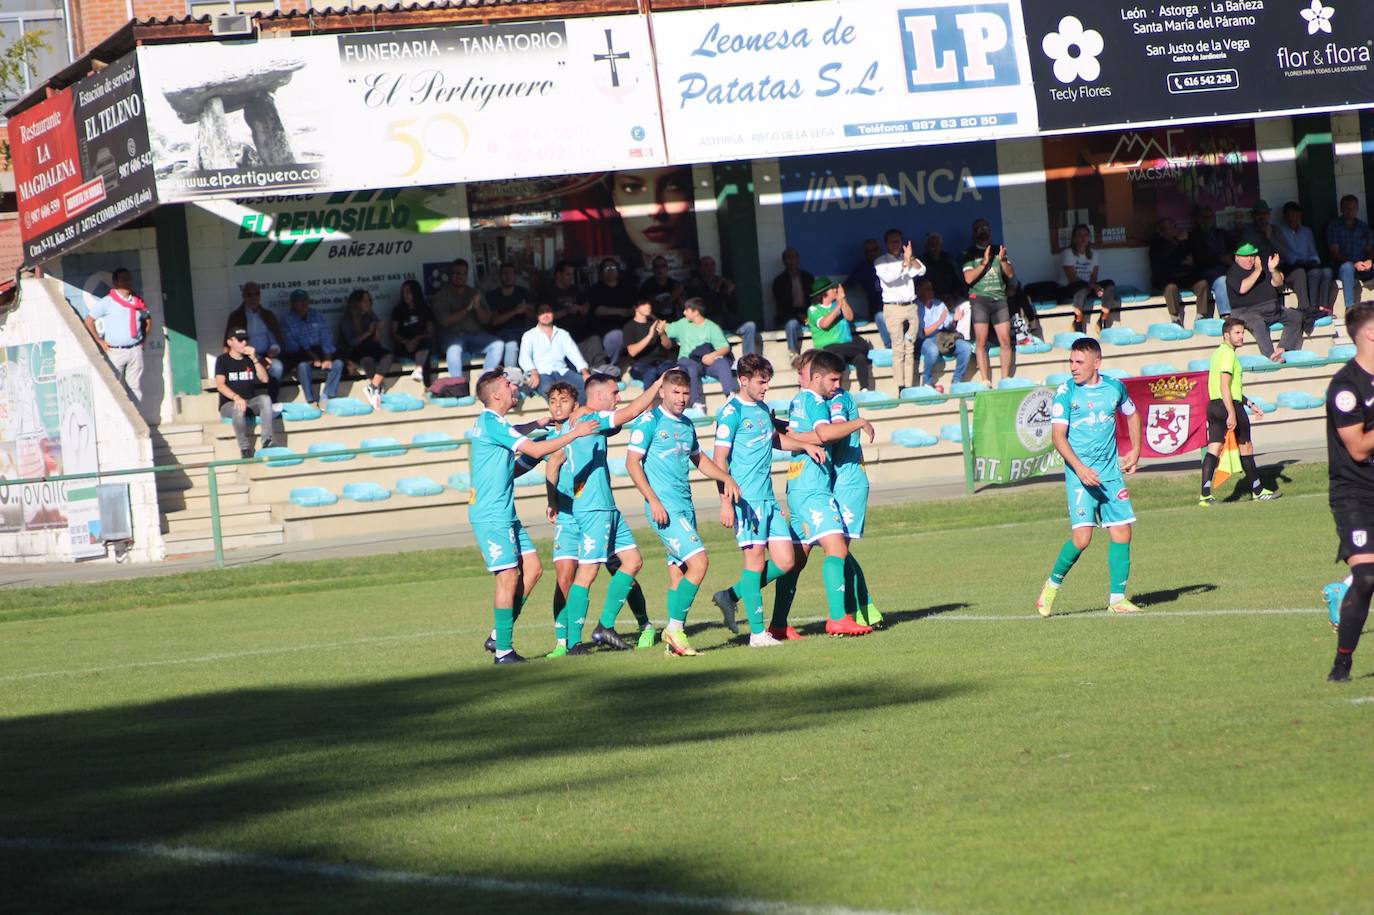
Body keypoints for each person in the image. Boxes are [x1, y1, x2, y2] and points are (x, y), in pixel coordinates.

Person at [469, 370, 600, 664]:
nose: (513, 387)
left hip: (505, 513)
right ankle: (503, 651)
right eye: (507, 385)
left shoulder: (493, 422)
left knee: (533, 569)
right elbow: (537, 449)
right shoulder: (493, 422)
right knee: (508, 577)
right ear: (496, 395)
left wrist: (538, 423)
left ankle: (496, 634)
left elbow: (516, 434)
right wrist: (574, 433)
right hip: (492, 515)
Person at [541, 374, 664, 657]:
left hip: (607, 507)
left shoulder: (585, 422)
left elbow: (556, 461)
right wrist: (656, 385)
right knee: (587, 573)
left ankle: (605, 625)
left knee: (633, 561)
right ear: (598, 396)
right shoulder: (588, 420)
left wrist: (552, 500)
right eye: (614, 392)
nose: (618, 397)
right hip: (593, 508)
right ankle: (572, 643)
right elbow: (631, 412)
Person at [708, 354, 827, 645]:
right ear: (743, 380)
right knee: (755, 563)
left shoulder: (762, 409)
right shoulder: (730, 413)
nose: (765, 388)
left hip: (768, 500)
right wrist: (726, 502)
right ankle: (758, 634)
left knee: (787, 561)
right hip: (745, 501)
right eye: (761, 382)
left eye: (767, 382)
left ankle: (730, 595)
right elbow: (718, 460)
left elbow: (774, 439)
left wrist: (804, 445)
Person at [624, 369, 742, 657]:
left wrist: (726, 478)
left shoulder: (687, 425)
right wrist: (652, 500)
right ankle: (674, 628)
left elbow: (700, 460)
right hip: (664, 508)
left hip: (684, 508)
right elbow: (632, 464)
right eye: (675, 392)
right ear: (662, 392)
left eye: (686, 392)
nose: (681, 398)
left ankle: (674, 643)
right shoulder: (649, 421)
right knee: (699, 563)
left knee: (678, 574)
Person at [768, 349, 877, 638]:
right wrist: (861, 422)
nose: (799, 376)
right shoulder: (814, 399)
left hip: (811, 483)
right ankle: (846, 615)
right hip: (820, 486)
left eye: (801, 371)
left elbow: (800, 434)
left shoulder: (810, 399)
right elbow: (826, 433)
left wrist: (778, 429)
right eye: (832, 379)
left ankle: (773, 619)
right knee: (838, 550)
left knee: (796, 559)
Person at [1035, 337, 1143, 618]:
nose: (1073, 367)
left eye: (1079, 362)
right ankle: (1051, 586)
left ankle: (1117, 599)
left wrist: (1136, 449)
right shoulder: (1065, 392)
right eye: (1070, 361)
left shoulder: (1115, 387)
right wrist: (1080, 469)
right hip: (1079, 476)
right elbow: (1058, 437)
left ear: (1097, 363)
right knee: (1082, 539)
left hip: (1109, 474)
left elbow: (1132, 414)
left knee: (1122, 531)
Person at [1322, 302, 1374, 681]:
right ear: (1369, 334)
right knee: (1368, 577)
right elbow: (1357, 447)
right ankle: (1343, 661)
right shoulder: (1345, 386)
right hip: (1355, 493)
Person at [1199, 317, 1282, 506]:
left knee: (1214, 448)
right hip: (1229, 406)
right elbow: (1225, 386)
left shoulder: (1218, 353)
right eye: (1237, 333)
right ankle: (1258, 491)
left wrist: (1249, 403)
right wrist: (1231, 413)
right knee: (1246, 447)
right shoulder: (1228, 355)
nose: (1241, 336)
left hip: (1214, 406)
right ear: (1226, 335)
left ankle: (1205, 495)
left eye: (1242, 332)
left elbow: (1229, 387)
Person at [1225, 242, 1303, 361]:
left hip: (1272, 309)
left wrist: (1272, 270)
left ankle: (1283, 348)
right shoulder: (1233, 272)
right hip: (1246, 311)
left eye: (1252, 256)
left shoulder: (1262, 269)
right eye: (1246, 257)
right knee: (1257, 323)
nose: (1250, 259)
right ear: (1237, 257)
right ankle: (1270, 355)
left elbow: (1278, 283)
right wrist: (1257, 270)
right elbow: (1242, 288)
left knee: (1295, 316)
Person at [962, 219, 1016, 385]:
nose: (982, 231)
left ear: (990, 231)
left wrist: (1002, 261)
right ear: (973, 233)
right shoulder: (969, 253)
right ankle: (985, 380)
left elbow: (1011, 274)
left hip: (999, 299)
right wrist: (984, 263)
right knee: (981, 341)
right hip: (979, 300)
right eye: (978, 229)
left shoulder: (999, 250)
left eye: (985, 228)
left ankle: (1005, 379)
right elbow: (968, 278)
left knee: (1005, 340)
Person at [84, 267, 149, 403]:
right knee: (115, 387)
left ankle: (136, 420)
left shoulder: (137, 301)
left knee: (135, 387)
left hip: (135, 349)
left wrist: (144, 339)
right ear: (116, 283)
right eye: (124, 280)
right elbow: (89, 321)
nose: (128, 282)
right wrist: (99, 340)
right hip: (115, 351)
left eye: (129, 279)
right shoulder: (108, 301)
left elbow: (147, 319)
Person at [431, 259, 502, 380]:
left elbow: (486, 320)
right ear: (449, 275)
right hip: (451, 336)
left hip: (474, 335)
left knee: (498, 344)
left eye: (462, 273)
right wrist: (468, 308)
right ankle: (457, 384)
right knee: (454, 348)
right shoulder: (441, 295)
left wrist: (478, 306)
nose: (459, 276)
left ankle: (486, 380)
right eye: (455, 273)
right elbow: (446, 321)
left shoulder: (474, 293)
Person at [873, 228, 926, 392]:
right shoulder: (880, 261)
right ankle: (900, 386)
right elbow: (889, 278)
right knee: (898, 348)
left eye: (898, 241)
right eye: (892, 241)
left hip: (910, 307)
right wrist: (905, 263)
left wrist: (911, 258)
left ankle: (909, 386)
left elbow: (921, 270)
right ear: (886, 243)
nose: (896, 244)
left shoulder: (908, 258)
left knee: (910, 347)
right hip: (893, 308)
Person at [215, 328, 276, 459]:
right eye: (240, 340)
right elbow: (220, 385)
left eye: (246, 340)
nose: (244, 343)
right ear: (230, 342)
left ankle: (267, 441)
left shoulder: (249, 359)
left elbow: (265, 379)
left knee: (265, 399)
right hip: (229, 404)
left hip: (249, 401)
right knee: (238, 409)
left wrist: (254, 359)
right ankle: (245, 448)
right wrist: (236, 398)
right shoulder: (222, 360)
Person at [666, 297, 738, 409]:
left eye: (687, 310)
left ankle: (731, 395)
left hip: (707, 362)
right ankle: (696, 403)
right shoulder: (682, 324)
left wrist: (712, 355)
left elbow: (724, 347)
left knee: (722, 363)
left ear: (695, 312)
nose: (684, 312)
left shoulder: (712, 327)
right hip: (688, 361)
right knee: (691, 368)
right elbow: (666, 329)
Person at [280, 288, 344, 409]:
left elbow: (326, 336)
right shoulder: (287, 320)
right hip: (300, 353)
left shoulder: (316, 315)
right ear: (293, 304)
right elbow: (292, 345)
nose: (304, 304)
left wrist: (327, 357)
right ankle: (310, 400)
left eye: (306, 300)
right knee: (303, 366)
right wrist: (312, 356)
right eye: (300, 301)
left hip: (319, 350)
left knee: (338, 364)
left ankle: (326, 396)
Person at [808, 279, 875, 391]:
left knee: (860, 358)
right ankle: (836, 391)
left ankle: (864, 389)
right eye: (832, 289)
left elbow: (849, 317)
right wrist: (839, 305)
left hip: (846, 346)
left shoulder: (839, 303)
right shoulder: (813, 309)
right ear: (824, 293)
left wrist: (843, 301)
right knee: (838, 357)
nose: (835, 290)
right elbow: (824, 324)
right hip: (827, 348)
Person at [1275, 201, 1333, 330]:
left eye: (1295, 215)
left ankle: (1323, 306)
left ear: (1300, 216)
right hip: (1291, 267)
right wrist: (1300, 261)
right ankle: (1311, 307)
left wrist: (1314, 260)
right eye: (1289, 215)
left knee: (1327, 271)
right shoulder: (1280, 231)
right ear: (1284, 216)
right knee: (1312, 272)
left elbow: (1313, 252)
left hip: (1308, 265)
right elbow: (1286, 254)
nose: (1292, 218)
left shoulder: (1306, 231)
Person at [224, 281, 285, 402]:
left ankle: (272, 401)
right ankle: (248, 402)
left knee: (277, 367)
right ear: (244, 297)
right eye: (249, 295)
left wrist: (274, 349)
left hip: (267, 355)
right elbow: (232, 343)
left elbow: (276, 339)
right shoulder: (236, 316)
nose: (253, 297)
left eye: (256, 294)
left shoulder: (267, 315)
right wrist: (258, 358)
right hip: (245, 356)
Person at [686, 255, 758, 355]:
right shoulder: (694, 284)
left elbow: (733, 307)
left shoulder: (721, 281)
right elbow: (702, 308)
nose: (710, 268)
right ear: (700, 268)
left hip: (726, 319)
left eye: (712, 265)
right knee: (717, 322)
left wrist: (730, 294)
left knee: (750, 326)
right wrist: (716, 290)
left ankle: (749, 360)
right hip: (707, 321)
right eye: (706, 265)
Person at [519, 302, 590, 401]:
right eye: (542, 312)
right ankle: (563, 415)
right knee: (549, 390)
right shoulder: (529, 335)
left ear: (553, 314)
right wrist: (533, 372)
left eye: (548, 311)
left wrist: (584, 372)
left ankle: (581, 414)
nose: (545, 315)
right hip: (542, 373)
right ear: (537, 315)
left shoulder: (563, 334)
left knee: (585, 385)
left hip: (562, 371)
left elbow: (574, 353)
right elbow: (524, 357)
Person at [913, 277, 972, 393]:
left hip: (942, 337)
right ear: (919, 291)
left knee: (966, 348)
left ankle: (957, 380)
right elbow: (923, 333)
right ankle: (927, 382)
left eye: (931, 289)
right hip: (925, 340)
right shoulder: (915, 307)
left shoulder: (939, 304)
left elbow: (949, 326)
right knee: (933, 351)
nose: (932, 291)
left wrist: (955, 320)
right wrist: (939, 322)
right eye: (927, 289)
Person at [1149, 218, 1212, 326]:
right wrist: (1179, 243)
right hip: (1166, 276)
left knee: (1203, 283)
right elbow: (1164, 258)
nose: (1175, 227)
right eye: (1170, 225)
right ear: (1162, 230)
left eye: (1174, 224)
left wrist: (1192, 260)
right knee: (1170, 288)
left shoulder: (1181, 240)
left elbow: (1194, 254)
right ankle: (1175, 318)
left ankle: (1201, 316)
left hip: (1184, 275)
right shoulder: (1156, 244)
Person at [338, 288, 393, 410]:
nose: (368, 303)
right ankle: (375, 389)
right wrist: (368, 333)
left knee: (388, 355)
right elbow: (351, 342)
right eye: (364, 300)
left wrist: (378, 329)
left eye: (369, 300)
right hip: (355, 351)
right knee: (367, 359)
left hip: (370, 347)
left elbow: (376, 340)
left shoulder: (370, 315)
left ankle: (373, 386)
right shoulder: (347, 319)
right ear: (356, 303)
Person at [1059, 224, 1120, 334]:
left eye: (1086, 235)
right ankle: (1078, 322)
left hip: (1088, 287)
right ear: (1074, 238)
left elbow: (1094, 278)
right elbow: (1072, 278)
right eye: (1080, 235)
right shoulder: (1067, 253)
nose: (1083, 238)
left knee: (1109, 284)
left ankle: (1103, 319)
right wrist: (1093, 287)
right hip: (1071, 289)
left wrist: (1095, 288)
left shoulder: (1094, 254)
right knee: (1081, 288)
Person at [587, 258, 636, 370]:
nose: (611, 271)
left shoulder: (626, 287)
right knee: (616, 336)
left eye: (613, 268)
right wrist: (621, 312)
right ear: (601, 273)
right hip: (606, 326)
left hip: (628, 324)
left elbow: (636, 305)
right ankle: (611, 367)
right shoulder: (596, 290)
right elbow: (597, 310)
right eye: (607, 268)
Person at [1327, 194, 1374, 310]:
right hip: (1343, 267)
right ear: (1341, 209)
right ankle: (1350, 307)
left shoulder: (1363, 227)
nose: (1350, 211)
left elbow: (1369, 250)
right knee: (1348, 267)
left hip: (1363, 267)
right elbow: (1335, 253)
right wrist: (1354, 264)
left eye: (1353, 208)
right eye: (1347, 208)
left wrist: (1368, 260)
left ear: (1357, 209)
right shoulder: (1334, 227)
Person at [484, 262, 535, 368]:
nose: (508, 276)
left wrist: (525, 310)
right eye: (505, 273)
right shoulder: (493, 295)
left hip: (523, 330)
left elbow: (534, 317)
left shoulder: (523, 292)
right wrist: (515, 311)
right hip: (503, 332)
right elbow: (494, 321)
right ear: (500, 276)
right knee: (511, 345)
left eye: (511, 273)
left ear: (516, 276)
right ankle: (510, 379)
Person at [622, 296, 678, 386]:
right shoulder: (629, 326)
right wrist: (650, 336)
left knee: (675, 371)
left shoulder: (654, 324)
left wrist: (662, 334)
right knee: (651, 372)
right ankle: (648, 400)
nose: (648, 306)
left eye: (649, 304)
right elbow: (632, 352)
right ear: (635, 308)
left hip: (659, 362)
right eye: (644, 304)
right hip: (639, 365)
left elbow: (668, 346)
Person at [1189, 206, 1234, 316]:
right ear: (1197, 219)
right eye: (1203, 217)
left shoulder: (1222, 233)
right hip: (1205, 271)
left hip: (1227, 267)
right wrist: (1219, 258)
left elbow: (1233, 248)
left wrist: (1230, 257)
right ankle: (1226, 315)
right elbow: (1196, 258)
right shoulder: (1193, 236)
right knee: (1222, 280)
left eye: (1208, 217)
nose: (1206, 220)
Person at [771, 248, 814, 359]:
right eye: (788, 258)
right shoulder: (779, 281)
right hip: (789, 315)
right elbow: (781, 305)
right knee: (792, 324)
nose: (792, 261)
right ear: (784, 261)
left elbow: (815, 299)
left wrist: (811, 314)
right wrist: (798, 315)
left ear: (798, 259)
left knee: (820, 321)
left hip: (808, 313)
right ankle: (794, 353)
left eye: (794, 257)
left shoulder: (808, 277)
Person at [391, 279, 434, 385]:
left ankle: (419, 370)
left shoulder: (425, 309)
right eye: (403, 292)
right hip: (403, 345)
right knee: (425, 354)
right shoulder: (398, 310)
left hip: (420, 344)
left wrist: (416, 339)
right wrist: (406, 342)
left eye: (408, 292)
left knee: (426, 347)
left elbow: (430, 332)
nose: (405, 295)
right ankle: (427, 386)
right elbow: (393, 332)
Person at [843, 237, 887, 335]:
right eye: (869, 251)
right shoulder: (863, 269)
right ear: (865, 253)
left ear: (879, 249)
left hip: (896, 308)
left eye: (874, 250)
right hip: (877, 310)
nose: (872, 253)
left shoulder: (889, 263)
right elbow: (845, 286)